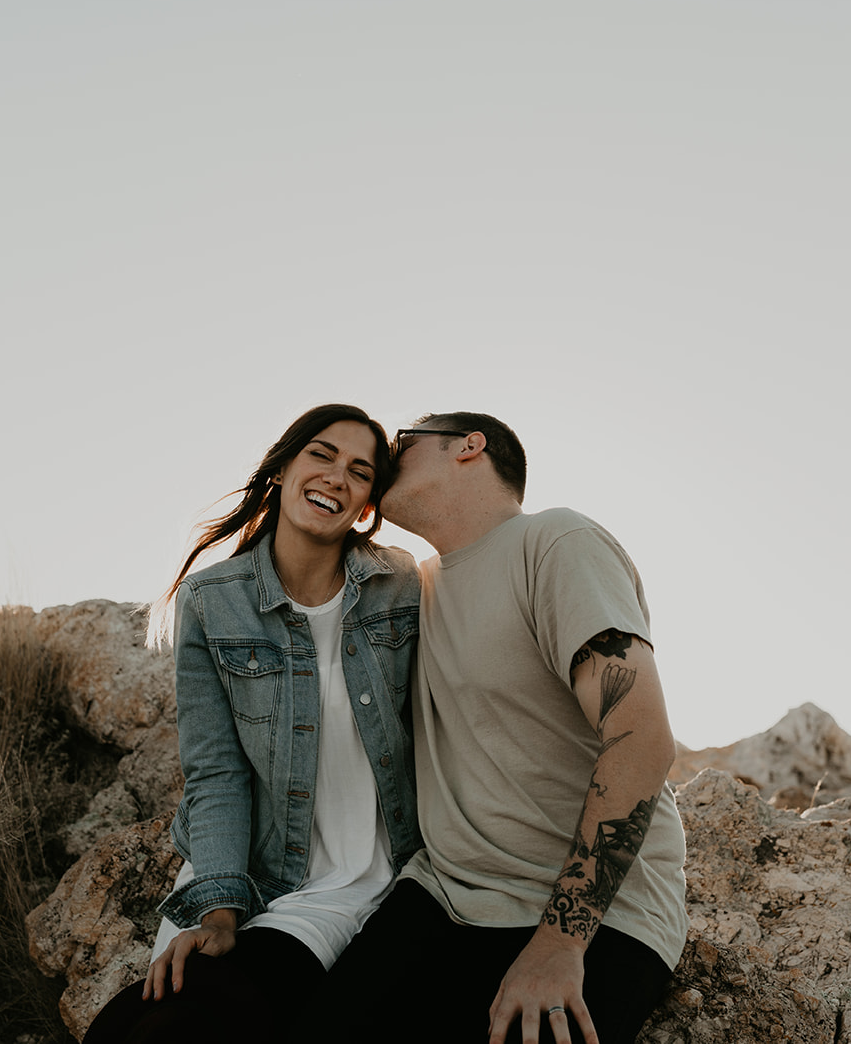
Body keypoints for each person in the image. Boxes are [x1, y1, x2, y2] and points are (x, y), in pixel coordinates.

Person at [315, 412, 688, 1044]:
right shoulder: (408, 589)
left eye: (402, 441)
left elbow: (642, 738)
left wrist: (560, 943)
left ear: (468, 445)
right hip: (442, 897)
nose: (383, 456)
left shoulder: (555, 541)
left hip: (594, 915)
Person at [83, 404, 423, 1044]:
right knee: (131, 1023)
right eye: (320, 454)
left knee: (196, 1025)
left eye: (359, 471)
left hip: (364, 875)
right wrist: (218, 909)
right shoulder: (213, 600)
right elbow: (215, 772)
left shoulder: (401, 586)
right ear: (283, 466)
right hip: (255, 867)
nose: (334, 477)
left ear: (369, 505)